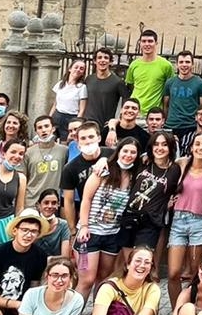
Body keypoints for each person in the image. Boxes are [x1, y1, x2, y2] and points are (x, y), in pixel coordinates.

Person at [76, 137, 141, 297]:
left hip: (112, 234)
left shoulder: (135, 178)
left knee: (104, 279)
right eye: (125, 150)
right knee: (87, 280)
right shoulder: (103, 170)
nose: (128, 155)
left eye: (133, 152)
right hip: (91, 231)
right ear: (118, 151)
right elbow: (86, 199)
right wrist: (84, 226)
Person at [166, 131, 202, 304]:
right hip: (178, 221)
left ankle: (193, 308)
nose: (201, 148)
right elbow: (160, 163)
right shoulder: (182, 164)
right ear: (191, 147)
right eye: (197, 144)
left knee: (196, 273)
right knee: (174, 273)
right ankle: (177, 310)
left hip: (200, 222)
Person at [121, 130, 181, 277]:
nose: (160, 148)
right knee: (129, 264)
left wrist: (168, 202)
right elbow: (118, 157)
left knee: (142, 263)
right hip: (130, 216)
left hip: (150, 222)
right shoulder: (142, 162)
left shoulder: (174, 170)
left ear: (171, 148)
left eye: (164, 145)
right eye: (156, 144)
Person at [58, 120, 104, 249]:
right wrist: (72, 229)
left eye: (91, 137)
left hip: (112, 220)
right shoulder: (70, 169)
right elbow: (68, 201)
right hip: (87, 219)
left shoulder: (112, 156)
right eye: (83, 138)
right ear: (77, 143)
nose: (88, 141)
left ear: (99, 138)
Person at [125, 29, 175, 120]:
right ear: (140, 43)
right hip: (136, 113)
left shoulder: (166, 65)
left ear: (156, 43)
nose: (147, 44)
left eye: (150, 41)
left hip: (154, 114)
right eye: (144, 41)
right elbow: (130, 86)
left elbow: (170, 90)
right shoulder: (134, 65)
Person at [24, 116, 69, 210]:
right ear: (36, 131)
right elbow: (23, 178)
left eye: (46, 126)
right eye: (40, 128)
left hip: (53, 204)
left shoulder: (64, 151)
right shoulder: (28, 152)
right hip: (32, 203)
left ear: (53, 128)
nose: (43, 130)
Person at [162, 49, 202, 134]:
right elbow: (165, 105)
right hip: (171, 126)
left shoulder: (200, 83)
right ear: (177, 65)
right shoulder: (170, 82)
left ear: (192, 64)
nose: (184, 65)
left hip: (191, 127)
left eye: (187, 62)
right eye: (181, 62)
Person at [82, 47, 130, 129]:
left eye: (106, 58)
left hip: (105, 125)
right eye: (99, 58)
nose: (102, 60)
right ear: (94, 61)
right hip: (87, 123)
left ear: (111, 62)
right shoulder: (89, 79)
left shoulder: (118, 82)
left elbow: (126, 101)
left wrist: (119, 119)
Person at [50, 59, 89, 139]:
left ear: (83, 73)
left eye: (81, 69)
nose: (78, 70)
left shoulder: (82, 87)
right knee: (52, 139)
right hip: (57, 116)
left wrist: (76, 123)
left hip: (71, 118)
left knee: (66, 142)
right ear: (70, 69)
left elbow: (82, 109)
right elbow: (55, 104)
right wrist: (49, 118)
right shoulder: (60, 84)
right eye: (76, 67)